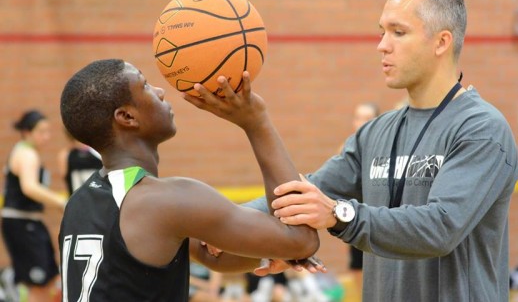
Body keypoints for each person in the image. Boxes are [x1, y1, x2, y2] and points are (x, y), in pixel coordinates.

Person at [247, 0, 518, 301]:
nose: (382, 45)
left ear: (441, 42)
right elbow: (305, 192)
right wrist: (221, 223)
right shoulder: (374, 133)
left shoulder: (482, 129)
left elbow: (440, 228)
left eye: (398, 32)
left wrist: (339, 214)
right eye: (382, 31)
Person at [58, 59, 321, 301]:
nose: (160, 91)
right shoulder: (162, 201)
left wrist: (278, 251)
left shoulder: (79, 201)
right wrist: (256, 121)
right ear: (127, 117)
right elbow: (301, 240)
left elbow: (214, 256)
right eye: (146, 85)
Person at [1, 110, 67, 302]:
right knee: (39, 286)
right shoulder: (27, 154)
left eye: (48, 131)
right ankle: (10, 282)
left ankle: (13, 281)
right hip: (22, 223)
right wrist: (61, 201)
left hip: (29, 223)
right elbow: (29, 187)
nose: (46, 136)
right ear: (27, 132)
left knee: (48, 281)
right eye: (41, 131)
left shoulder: (27, 152)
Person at [341, 102, 380, 296]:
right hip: (355, 220)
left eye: (368, 118)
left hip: (378, 220)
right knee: (357, 266)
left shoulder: (383, 149)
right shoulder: (346, 150)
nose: (362, 123)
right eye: (358, 117)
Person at [57, 129, 103, 195]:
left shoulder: (99, 153)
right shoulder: (65, 155)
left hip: (100, 200)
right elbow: (66, 181)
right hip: (78, 201)